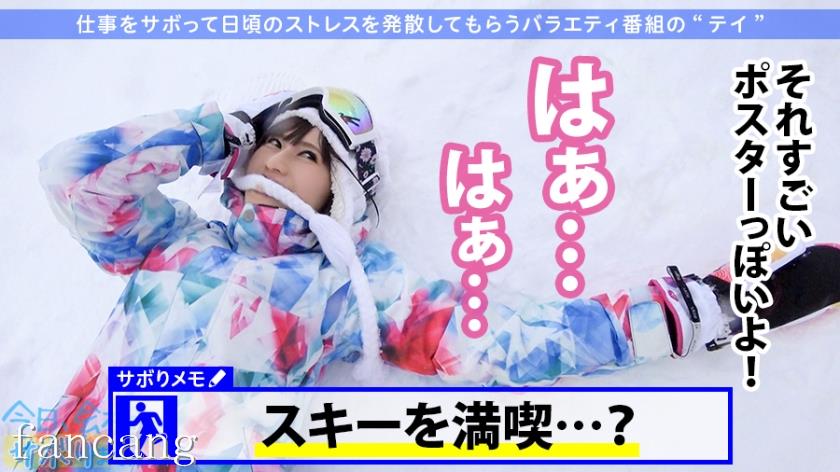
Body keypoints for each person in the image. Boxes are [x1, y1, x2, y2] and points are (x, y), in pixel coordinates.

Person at [35, 87, 839, 466]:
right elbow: (73, 176)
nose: (279, 158)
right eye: (273, 139)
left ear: (344, 190)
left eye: (309, 152)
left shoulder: (349, 287)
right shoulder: (171, 242)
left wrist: (701, 308)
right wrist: (214, 130)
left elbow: (512, 346)